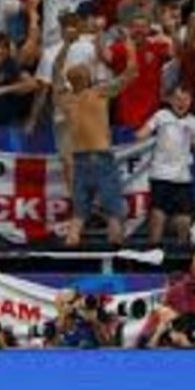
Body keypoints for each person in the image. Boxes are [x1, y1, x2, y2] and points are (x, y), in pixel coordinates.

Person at [52, 38, 137, 246]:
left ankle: (69, 256)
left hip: (79, 160)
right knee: (115, 213)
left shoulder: (65, 100)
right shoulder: (99, 93)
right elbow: (131, 73)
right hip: (101, 158)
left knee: (79, 214)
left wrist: (65, 46)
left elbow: (55, 71)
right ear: (89, 78)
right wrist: (131, 50)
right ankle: (116, 259)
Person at [138, 86, 195, 245]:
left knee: (185, 223)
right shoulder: (161, 116)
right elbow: (141, 135)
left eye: (185, 99)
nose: (181, 103)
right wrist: (141, 136)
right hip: (160, 176)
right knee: (157, 220)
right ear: (171, 100)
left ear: (191, 101)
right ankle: (151, 260)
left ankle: (181, 260)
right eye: (178, 99)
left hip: (183, 179)